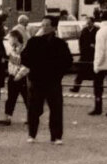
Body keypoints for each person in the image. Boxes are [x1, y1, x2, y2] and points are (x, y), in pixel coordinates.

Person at [21, 16, 72, 144]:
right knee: (34, 108)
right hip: (36, 80)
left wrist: (59, 74)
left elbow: (67, 61)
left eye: (47, 25)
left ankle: (56, 136)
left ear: (54, 27)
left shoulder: (60, 44)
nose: (43, 27)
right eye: (42, 25)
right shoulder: (33, 42)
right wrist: (33, 68)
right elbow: (24, 58)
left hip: (53, 81)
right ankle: (32, 134)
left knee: (56, 109)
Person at [71, 15, 98, 93]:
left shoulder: (97, 30)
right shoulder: (84, 30)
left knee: (96, 73)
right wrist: (81, 49)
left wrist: (95, 45)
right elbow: (81, 41)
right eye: (87, 23)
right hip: (85, 54)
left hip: (93, 54)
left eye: (89, 23)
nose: (88, 24)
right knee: (80, 72)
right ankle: (76, 88)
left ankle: (97, 89)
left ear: (93, 23)